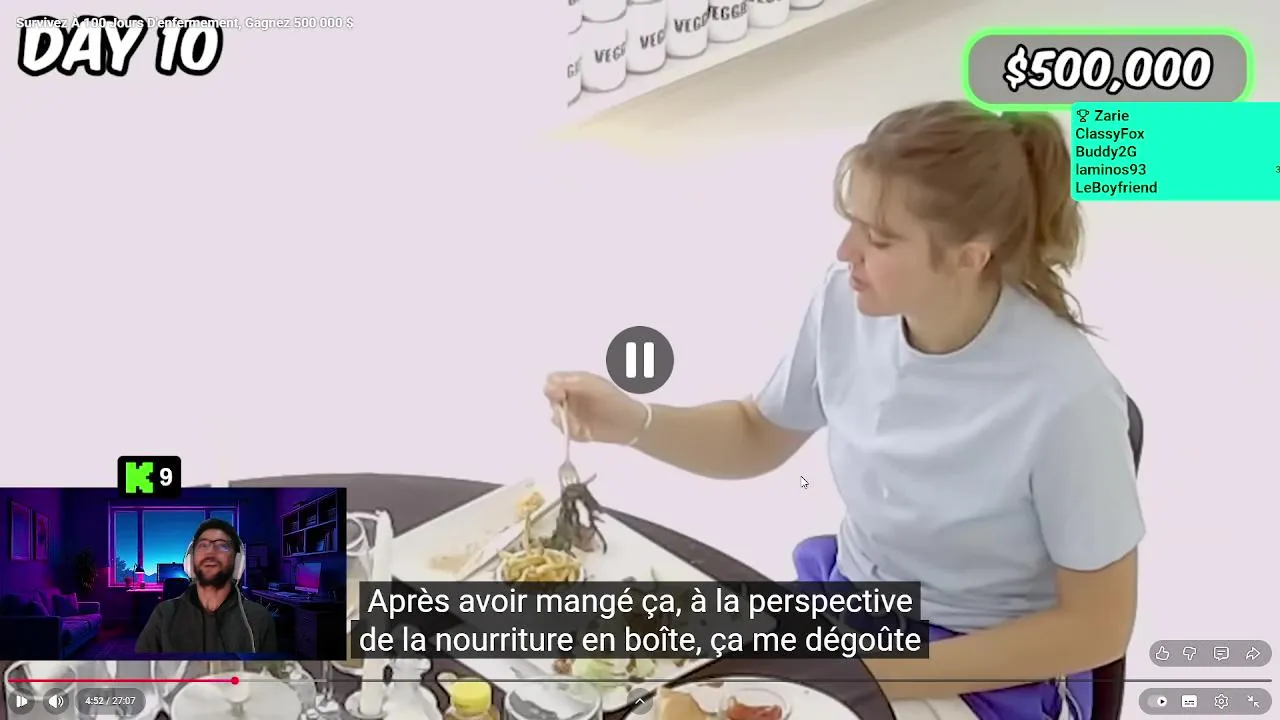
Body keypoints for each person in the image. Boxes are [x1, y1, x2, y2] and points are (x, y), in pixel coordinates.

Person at [544, 101, 1142, 720]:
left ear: (970, 255)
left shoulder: (1069, 399)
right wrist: (635, 422)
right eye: (853, 222)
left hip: (983, 673)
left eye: (879, 239)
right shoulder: (849, 301)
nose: (846, 249)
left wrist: (867, 675)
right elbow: (757, 431)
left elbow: (1096, 627)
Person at [135, 519, 278, 655]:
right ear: (190, 561)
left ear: (237, 562)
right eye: (203, 545)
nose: (210, 552)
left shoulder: (259, 618)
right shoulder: (163, 615)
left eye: (222, 546)